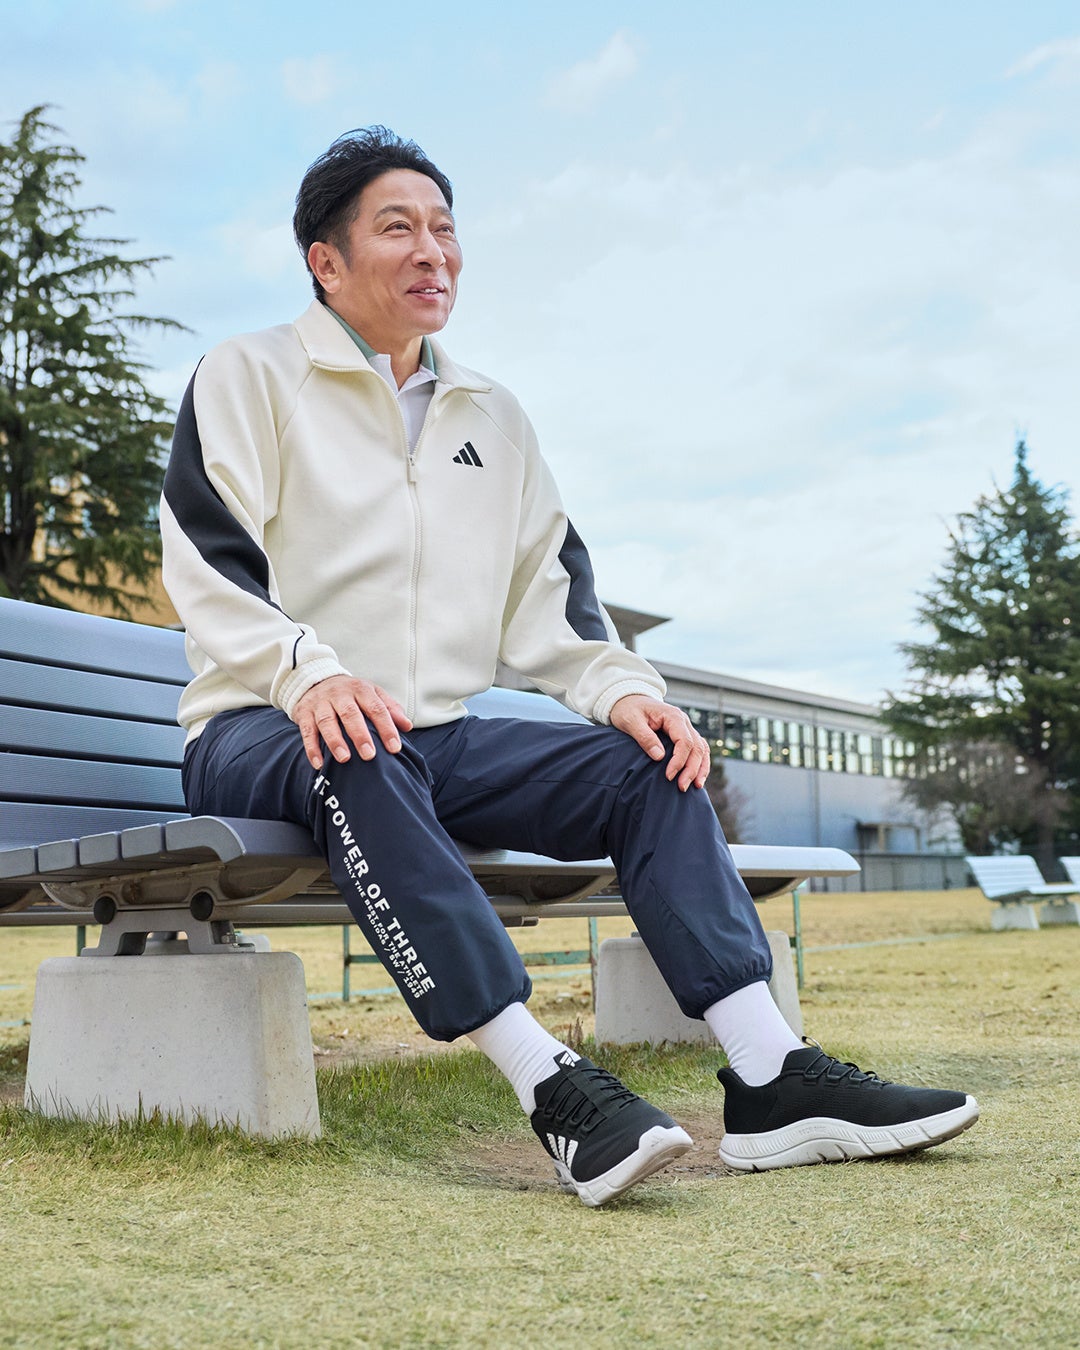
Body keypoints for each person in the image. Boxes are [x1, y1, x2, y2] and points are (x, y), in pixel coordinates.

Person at [160, 126, 978, 1207]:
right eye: (398, 228)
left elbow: (551, 597)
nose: (433, 252)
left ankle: (771, 1074)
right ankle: (549, 1084)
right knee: (358, 744)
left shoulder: (493, 416)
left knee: (649, 765)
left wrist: (624, 692)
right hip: (257, 729)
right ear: (326, 260)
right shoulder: (250, 374)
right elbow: (209, 559)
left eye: (445, 229)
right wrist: (308, 673)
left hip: (431, 737)